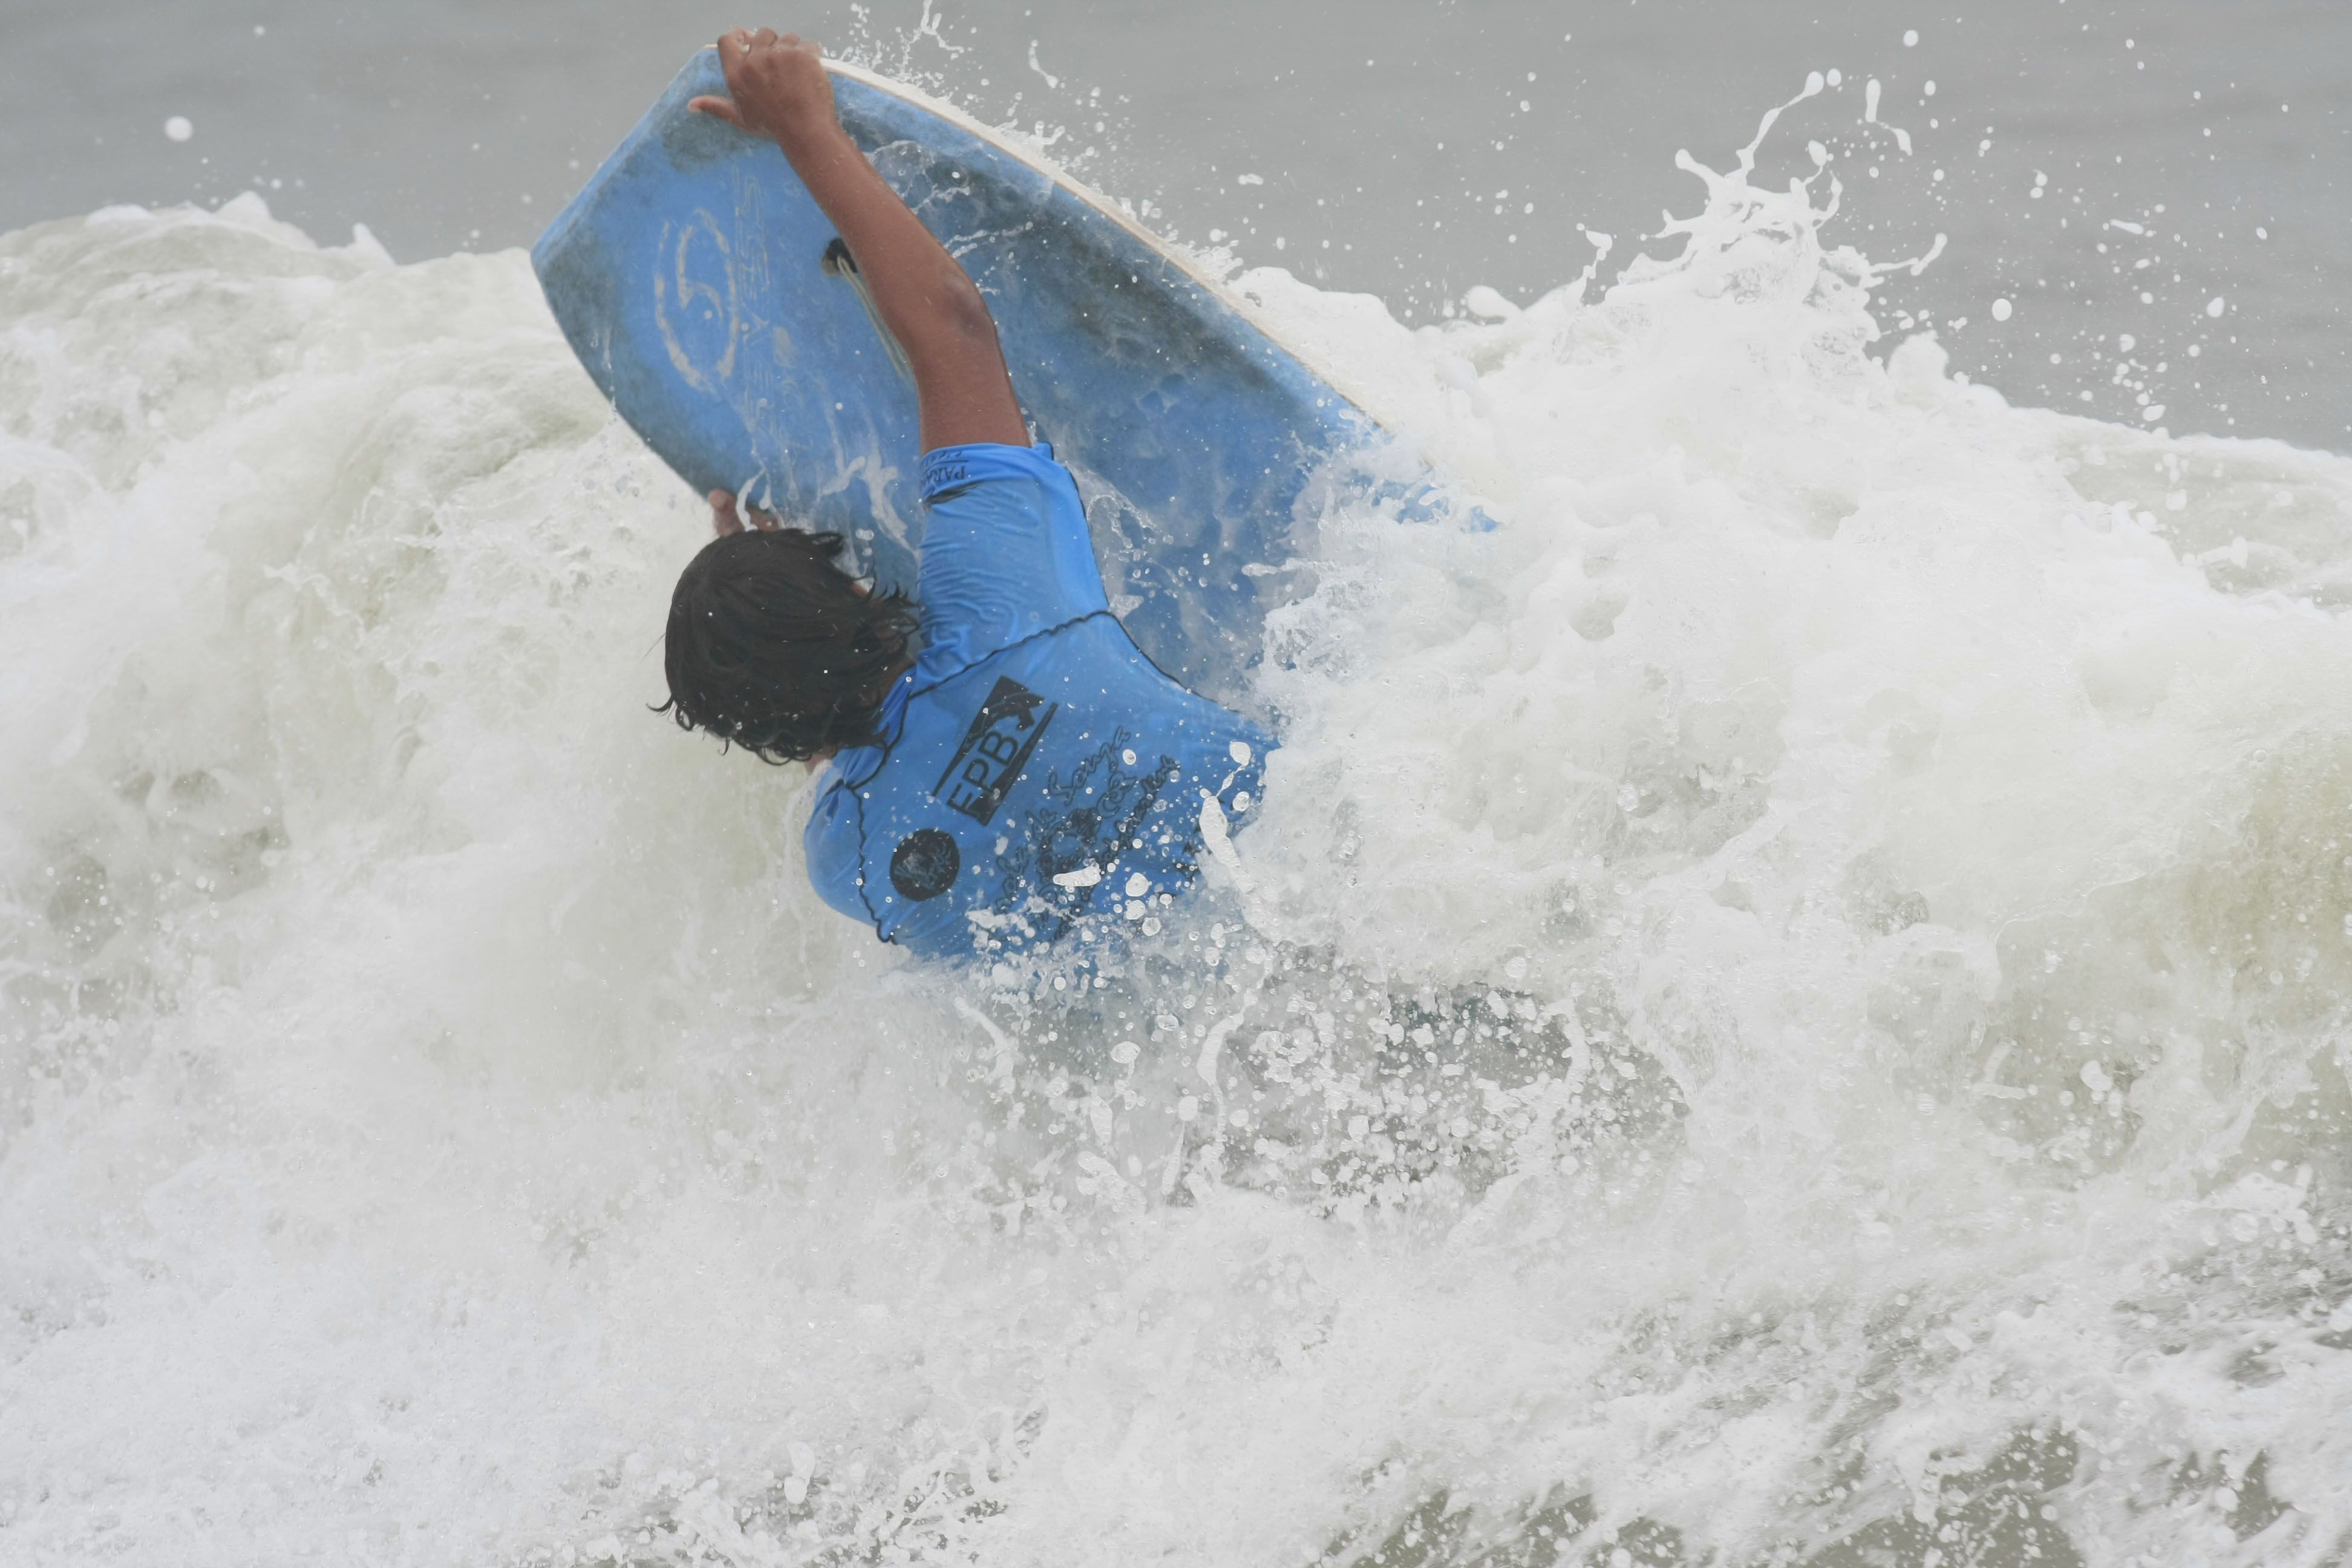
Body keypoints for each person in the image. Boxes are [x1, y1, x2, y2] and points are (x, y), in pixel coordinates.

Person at [661, 28, 1273, 959]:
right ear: (854, 591)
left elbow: (871, 757)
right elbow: (955, 332)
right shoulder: (1000, 595)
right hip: (1306, 869)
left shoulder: (850, 864)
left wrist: (763, 616)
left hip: (1199, 1029)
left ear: (760, 735)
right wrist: (806, 135)